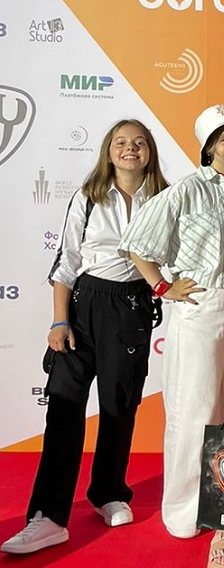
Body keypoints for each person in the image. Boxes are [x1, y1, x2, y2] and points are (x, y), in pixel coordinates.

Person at [1, 120, 168, 555]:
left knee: (119, 406)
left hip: (131, 307)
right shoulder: (88, 197)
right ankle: (48, 516)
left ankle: (108, 493)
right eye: (121, 142)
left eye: (139, 143)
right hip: (84, 304)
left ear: (149, 151)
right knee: (64, 409)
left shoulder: (164, 198)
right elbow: (67, 261)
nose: (130, 149)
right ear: (108, 151)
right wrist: (60, 321)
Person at [118, 105, 224, 568]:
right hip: (201, 305)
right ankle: (185, 512)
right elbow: (137, 243)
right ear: (208, 146)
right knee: (194, 409)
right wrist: (163, 286)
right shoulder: (186, 190)